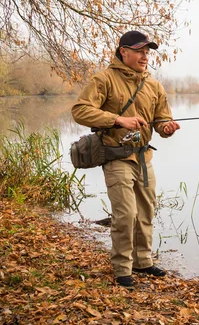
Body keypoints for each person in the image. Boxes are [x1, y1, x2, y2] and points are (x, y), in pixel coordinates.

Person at [72, 31, 180, 288]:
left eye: (147, 52)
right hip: (116, 157)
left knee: (145, 211)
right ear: (124, 52)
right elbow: (80, 110)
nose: (145, 57)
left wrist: (166, 128)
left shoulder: (154, 85)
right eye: (140, 51)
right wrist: (117, 120)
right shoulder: (104, 79)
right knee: (125, 214)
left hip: (144, 158)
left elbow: (163, 118)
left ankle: (143, 262)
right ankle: (122, 267)